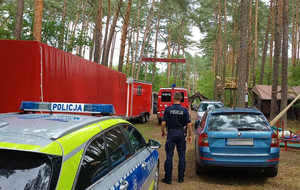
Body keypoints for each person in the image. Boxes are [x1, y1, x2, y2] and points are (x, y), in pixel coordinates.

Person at [161, 91, 192, 184]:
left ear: (173, 98)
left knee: (169, 156)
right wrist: (190, 135)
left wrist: (163, 132)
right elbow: (189, 124)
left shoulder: (168, 109)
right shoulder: (184, 110)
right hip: (181, 133)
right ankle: (181, 178)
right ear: (181, 98)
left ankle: (168, 179)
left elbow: (163, 123)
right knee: (182, 156)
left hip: (171, 133)